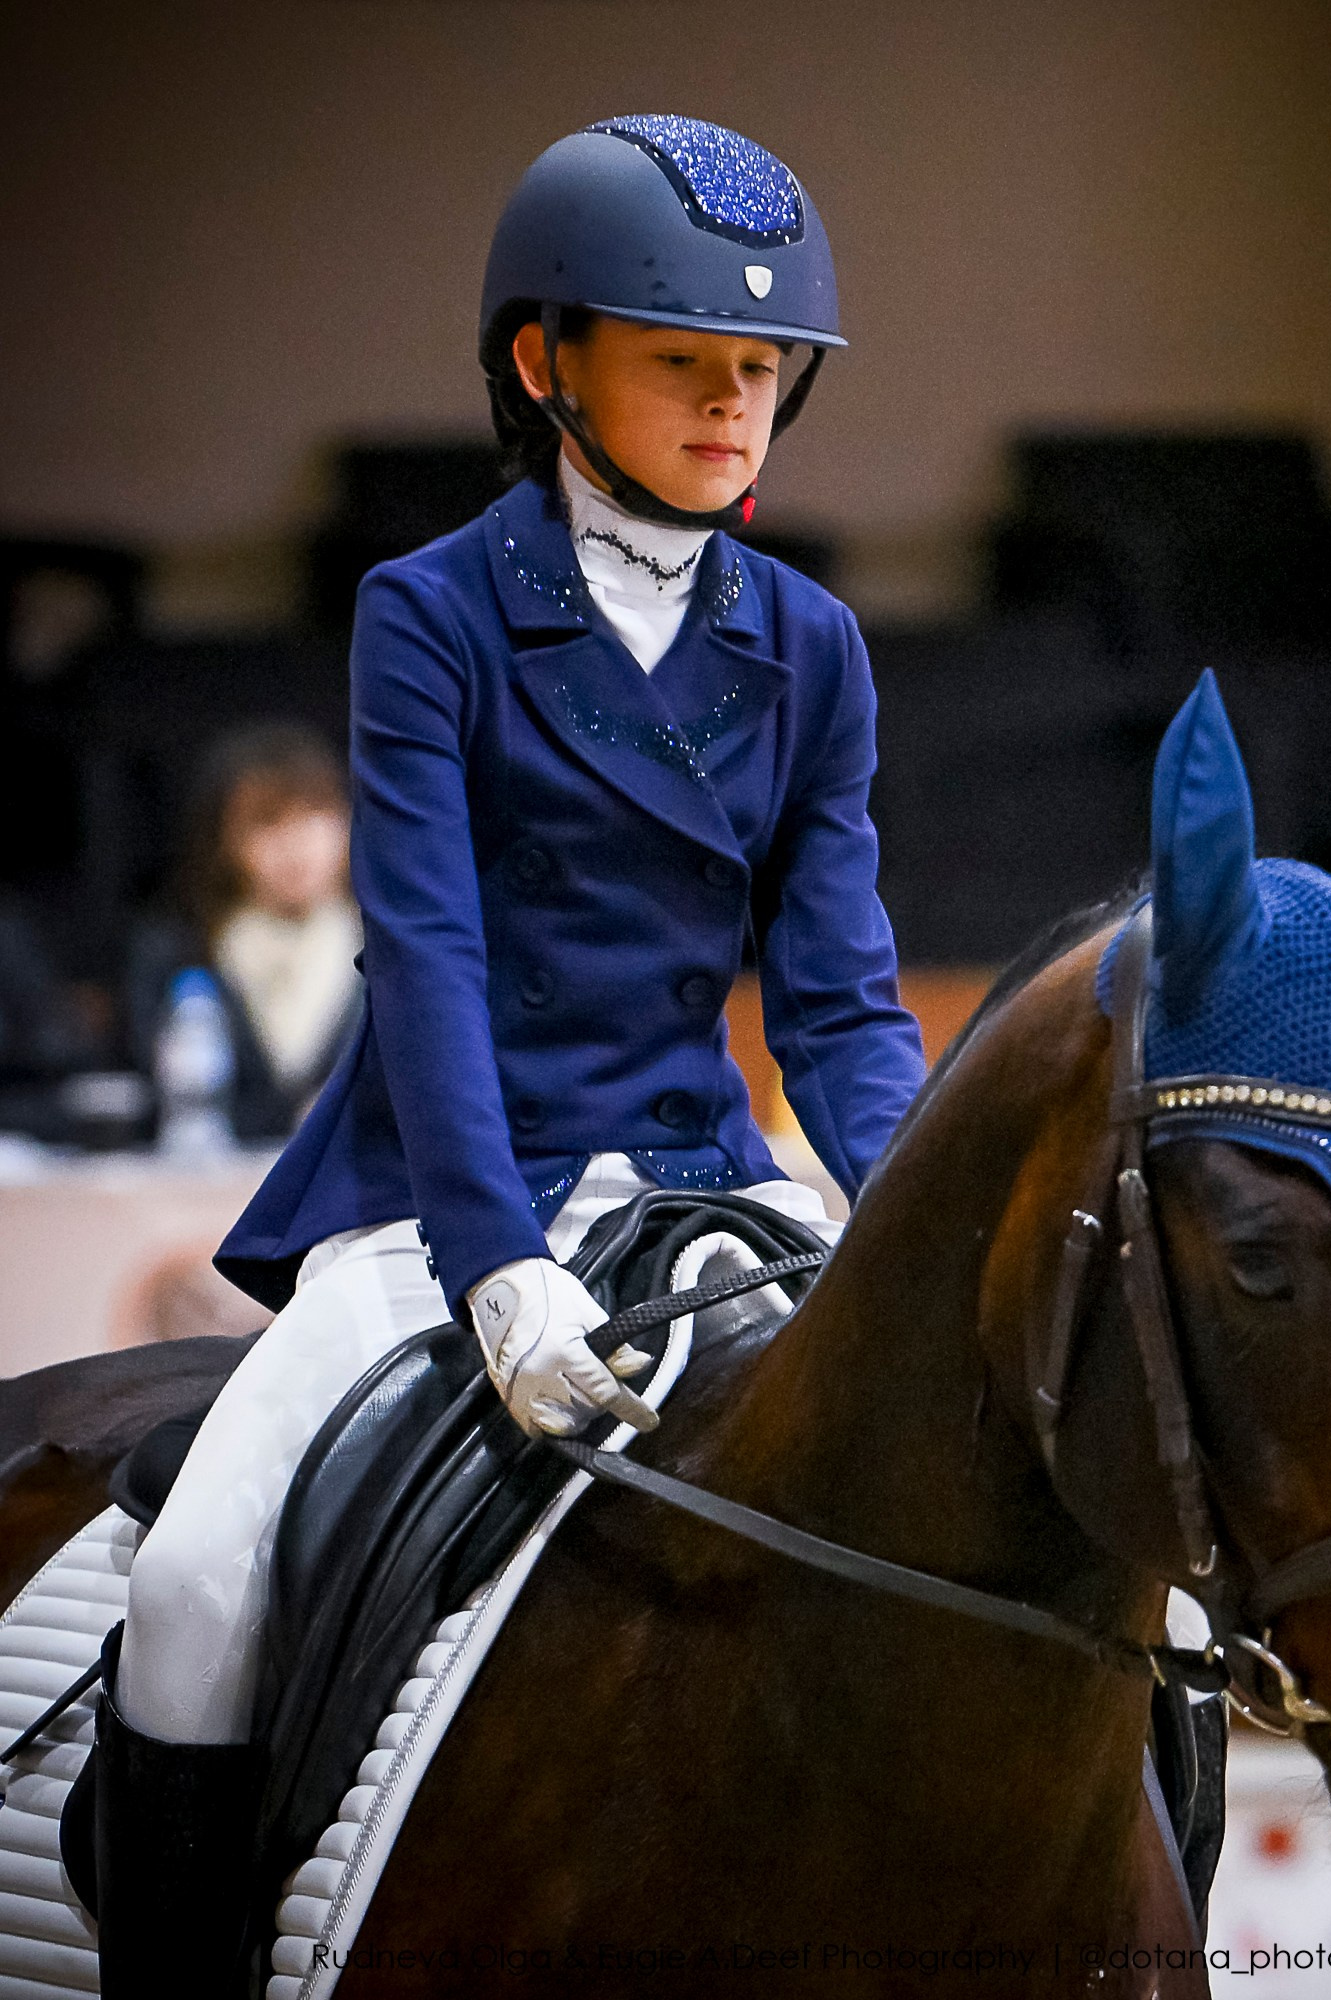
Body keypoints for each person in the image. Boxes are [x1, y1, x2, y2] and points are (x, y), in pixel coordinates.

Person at [72, 115, 928, 1989]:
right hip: (458, 1191)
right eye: (682, 362)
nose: (734, 407)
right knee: (204, 1583)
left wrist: (917, 1222)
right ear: (547, 365)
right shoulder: (436, 614)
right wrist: (501, 1274)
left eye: (763, 371)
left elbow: (845, 1005)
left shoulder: (817, 651)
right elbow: (435, 965)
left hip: (706, 1169)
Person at [128, 724, 364, 1142]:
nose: (296, 845)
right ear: (223, 841)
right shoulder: (180, 952)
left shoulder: (392, 947)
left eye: (315, 814)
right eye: (266, 822)